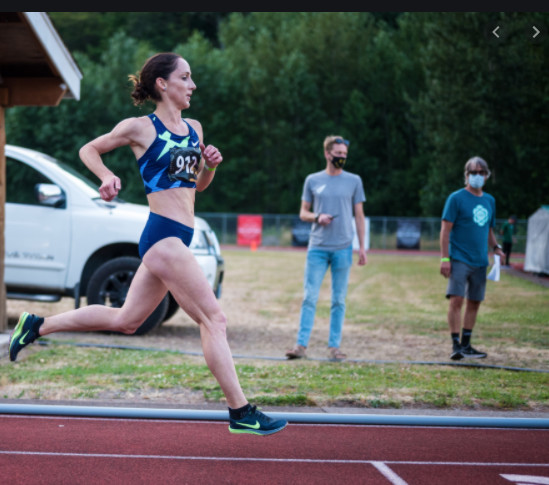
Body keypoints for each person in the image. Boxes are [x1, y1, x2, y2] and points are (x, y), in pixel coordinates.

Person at [8, 52, 287, 436]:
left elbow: (197, 187)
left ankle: (37, 325)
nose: (192, 85)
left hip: (179, 235)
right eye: (185, 77)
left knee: (126, 320)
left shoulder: (194, 128)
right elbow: (89, 149)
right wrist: (105, 176)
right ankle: (241, 411)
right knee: (214, 320)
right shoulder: (140, 127)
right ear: (162, 83)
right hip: (163, 237)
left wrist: (210, 165)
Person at [285, 135, 367, 362]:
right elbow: (303, 212)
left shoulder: (354, 181)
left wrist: (361, 247)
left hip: (343, 248)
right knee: (309, 297)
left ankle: (334, 347)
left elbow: (359, 216)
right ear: (327, 153)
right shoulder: (312, 180)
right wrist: (317, 217)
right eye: (338, 153)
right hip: (317, 248)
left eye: (344, 154)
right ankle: (300, 346)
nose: (342, 157)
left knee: (339, 300)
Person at [439, 156, 505, 361]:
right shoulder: (456, 198)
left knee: (475, 302)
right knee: (456, 299)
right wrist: (445, 259)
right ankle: (456, 345)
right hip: (459, 258)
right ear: (466, 175)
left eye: (481, 172)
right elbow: (445, 230)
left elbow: (488, 230)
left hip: (480, 261)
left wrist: (496, 247)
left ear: (487, 175)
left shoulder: (490, 200)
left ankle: (467, 344)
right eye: (473, 172)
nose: (477, 176)